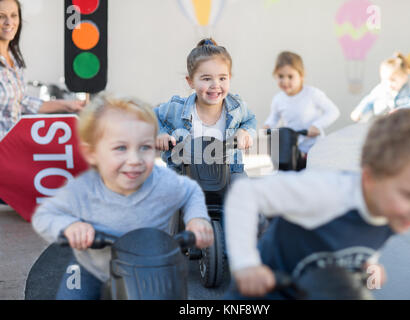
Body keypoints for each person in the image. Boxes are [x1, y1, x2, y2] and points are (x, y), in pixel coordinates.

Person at [224, 109, 410, 299]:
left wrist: (368, 268)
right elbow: (246, 193)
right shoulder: (327, 193)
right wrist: (246, 264)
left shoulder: (393, 213)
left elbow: (362, 242)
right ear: (370, 178)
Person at [32, 93, 214, 300]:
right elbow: (45, 215)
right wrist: (69, 227)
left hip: (151, 265)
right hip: (95, 268)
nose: (134, 160)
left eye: (144, 147)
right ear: (92, 153)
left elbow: (190, 192)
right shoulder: (83, 189)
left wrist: (196, 219)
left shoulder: (162, 182)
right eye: (120, 148)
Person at [154, 38, 256, 181]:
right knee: (166, 191)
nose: (215, 85)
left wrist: (244, 132)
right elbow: (152, 117)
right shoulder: (176, 108)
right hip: (185, 173)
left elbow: (250, 119)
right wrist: (161, 134)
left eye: (222, 78)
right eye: (206, 79)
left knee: (243, 192)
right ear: (190, 81)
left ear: (229, 77)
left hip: (229, 172)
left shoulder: (236, 107)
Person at [0, 0, 84, 141]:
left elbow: (22, 103)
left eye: (14, 15)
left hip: (12, 149)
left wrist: (66, 105)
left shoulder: (14, 59)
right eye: (1, 16)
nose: (9, 22)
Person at [263, 51, 340, 170]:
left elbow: (333, 111)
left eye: (290, 76)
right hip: (293, 148)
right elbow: (274, 118)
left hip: (315, 148)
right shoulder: (278, 99)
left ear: (301, 75)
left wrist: (317, 125)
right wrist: (267, 126)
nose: (285, 81)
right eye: (280, 76)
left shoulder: (312, 94)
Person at [350, 52, 410, 123]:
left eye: (393, 80)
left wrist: (401, 110)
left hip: (399, 122)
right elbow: (368, 101)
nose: (388, 84)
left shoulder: (409, 90)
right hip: (379, 121)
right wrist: (359, 111)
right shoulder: (380, 89)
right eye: (384, 80)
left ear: (405, 77)